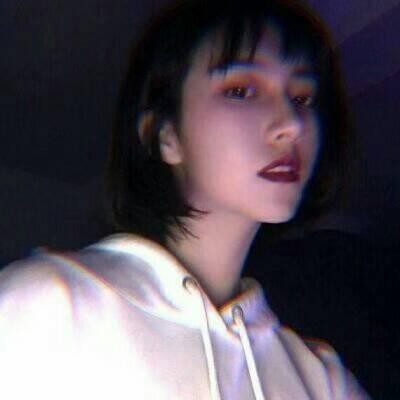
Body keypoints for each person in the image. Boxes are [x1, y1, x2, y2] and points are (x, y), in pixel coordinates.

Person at [0, 0, 370, 399]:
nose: (292, 125)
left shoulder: (321, 379)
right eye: (241, 91)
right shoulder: (46, 305)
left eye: (302, 98)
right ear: (165, 135)